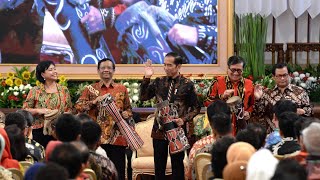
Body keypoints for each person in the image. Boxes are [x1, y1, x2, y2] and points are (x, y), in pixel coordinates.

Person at [139, 52, 201, 179]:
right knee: (159, 166)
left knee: (177, 166)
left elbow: (196, 108)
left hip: (177, 130)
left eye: (169, 65)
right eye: (164, 65)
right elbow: (143, 97)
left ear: (178, 66)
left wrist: (183, 119)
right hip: (159, 129)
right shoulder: (158, 82)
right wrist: (147, 77)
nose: (166, 68)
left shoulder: (187, 84)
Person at [75, 58, 132, 180]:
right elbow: (78, 107)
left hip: (117, 137)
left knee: (118, 172)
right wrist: (94, 101)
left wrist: (127, 113)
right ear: (98, 71)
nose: (106, 70)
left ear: (114, 70)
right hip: (96, 138)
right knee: (97, 172)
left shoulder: (122, 89)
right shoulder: (90, 89)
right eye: (103, 68)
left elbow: (129, 109)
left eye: (109, 68)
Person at [23, 60, 73, 148]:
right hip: (39, 131)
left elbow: (69, 109)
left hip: (59, 131)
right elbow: (25, 110)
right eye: (50, 70)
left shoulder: (63, 90)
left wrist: (63, 115)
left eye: (55, 69)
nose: (54, 72)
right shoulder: (35, 90)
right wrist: (39, 110)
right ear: (43, 74)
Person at [254, 62, 312, 131]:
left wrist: (302, 111)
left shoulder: (300, 92)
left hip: (294, 133)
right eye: (279, 76)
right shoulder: (267, 93)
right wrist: (258, 99)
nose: (282, 78)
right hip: (273, 135)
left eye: (284, 75)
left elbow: (309, 112)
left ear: (290, 75)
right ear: (273, 77)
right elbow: (259, 114)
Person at [204, 56, 255, 135]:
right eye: (233, 70)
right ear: (228, 68)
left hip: (242, 127)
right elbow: (207, 102)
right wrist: (222, 97)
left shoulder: (249, 84)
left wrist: (249, 112)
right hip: (221, 128)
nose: (236, 73)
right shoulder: (217, 82)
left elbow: (253, 104)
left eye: (239, 70)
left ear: (243, 70)